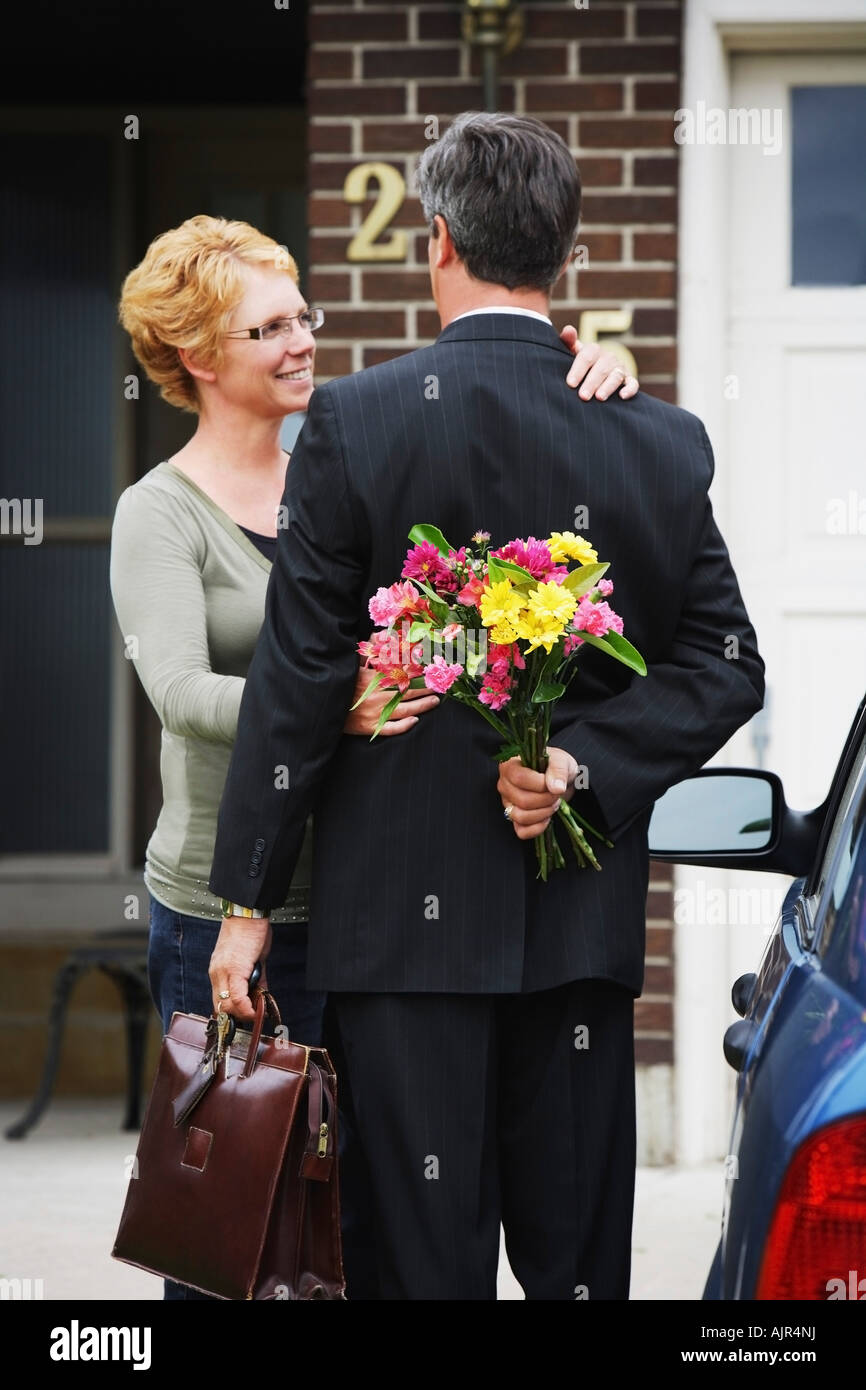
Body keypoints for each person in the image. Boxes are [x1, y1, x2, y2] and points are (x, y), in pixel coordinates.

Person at [207, 112, 765, 1299]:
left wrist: (245, 901)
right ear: (562, 250)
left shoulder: (351, 423)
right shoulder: (656, 437)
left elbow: (300, 676)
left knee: (419, 1275)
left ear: (438, 239)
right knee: (574, 1277)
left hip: (402, 953)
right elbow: (724, 663)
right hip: (576, 943)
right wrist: (584, 768)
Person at [109, 212, 636, 1301]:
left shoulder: (348, 448)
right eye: (267, 330)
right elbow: (178, 691)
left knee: (348, 1234)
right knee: (237, 1228)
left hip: (365, 899)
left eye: (302, 315)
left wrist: (592, 365)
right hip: (227, 900)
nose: (302, 341)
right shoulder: (158, 514)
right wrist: (327, 702)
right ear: (198, 359)